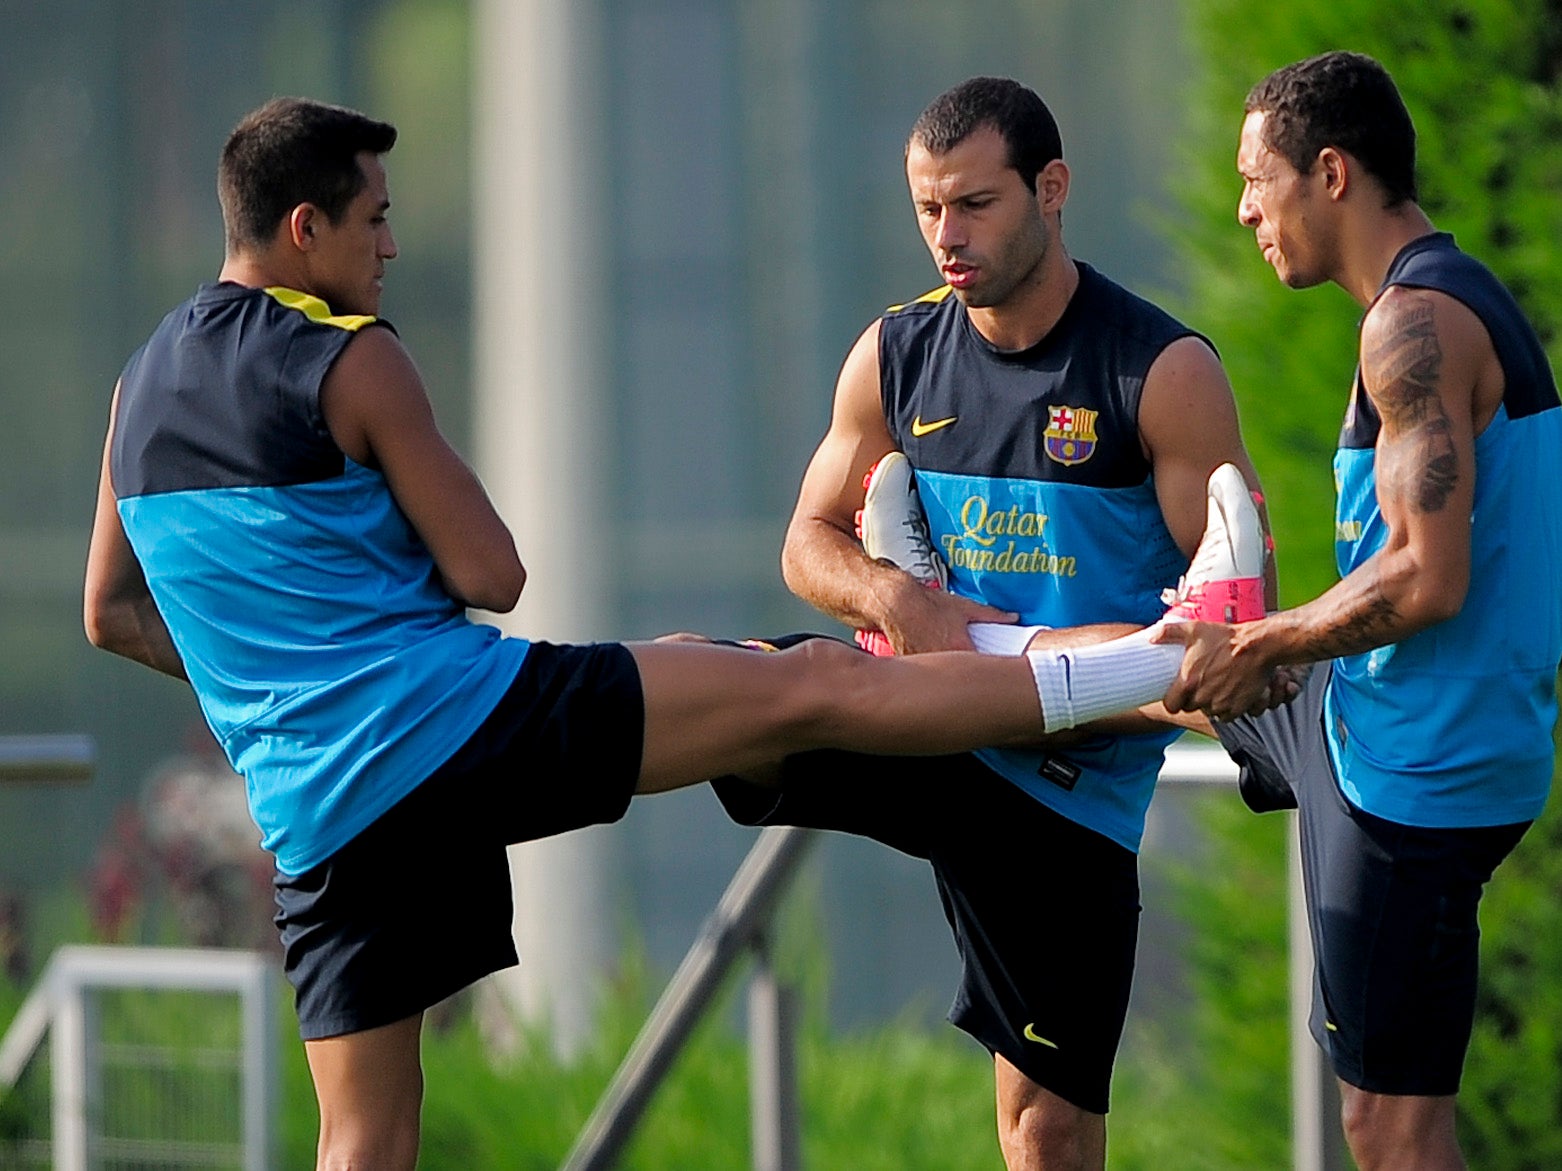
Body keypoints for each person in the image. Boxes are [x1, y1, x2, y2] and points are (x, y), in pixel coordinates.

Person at [80, 97, 1253, 1171]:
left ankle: (1036, 628)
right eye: (374, 220)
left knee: (363, 1134)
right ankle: (1144, 654)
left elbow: (113, 614)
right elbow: (493, 572)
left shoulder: (135, 390)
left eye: (969, 203)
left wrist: (282, 679)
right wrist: (916, 605)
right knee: (810, 690)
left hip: (322, 806)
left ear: (1048, 191)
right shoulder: (353, 356)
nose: (388, 246)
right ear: (303, 227)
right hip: (458, 725)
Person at [718, 77, 1274, 1171]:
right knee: (734, 702)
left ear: (1050, 189)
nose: (944, 237)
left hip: (1068, 787)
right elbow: (806, 539)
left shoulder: (1157, 370)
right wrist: (894, 597)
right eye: (927, 209)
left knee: (1045, 1129)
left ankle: (979, 647)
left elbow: (1230, 622)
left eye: (972, 205)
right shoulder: (896, 353)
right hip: (933, 731)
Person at [1155, 51, 1562, 1170]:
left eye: (1255, 181)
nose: (1241, 209)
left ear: (1327, 172)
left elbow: (1426, 579)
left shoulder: (1410, 327)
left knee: (1385, 1126)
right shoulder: (1434, 297)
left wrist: (1268, 637)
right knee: (1158, 668)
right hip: (1384, 721)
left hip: (1409, 776)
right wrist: (1247, 641)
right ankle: (965, 646)